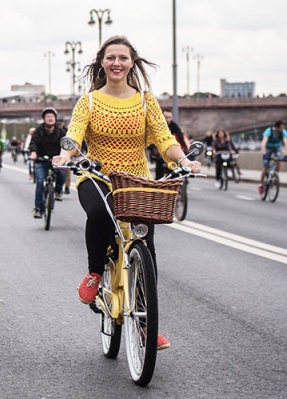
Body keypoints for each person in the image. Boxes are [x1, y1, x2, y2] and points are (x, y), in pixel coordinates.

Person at [52, 36, 201, 351]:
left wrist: (185, 159)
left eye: (122, 58)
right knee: (99, 214)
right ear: (102, 62)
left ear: (132, 63)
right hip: (98, 176)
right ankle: (95, 273)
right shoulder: (89, 101)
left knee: (146, 245)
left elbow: (163, 139)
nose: (116, 63)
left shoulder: (146, 101)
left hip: (136, 180)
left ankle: (147, 326)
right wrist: (66, 155)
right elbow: (73, 134)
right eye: (110, 58)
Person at [28, 108, 66, 218]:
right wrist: (34, 153)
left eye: (52, 117)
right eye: (48, 117)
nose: (50, 118)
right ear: (44, 119)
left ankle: (58, 191)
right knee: (40, 181)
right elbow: (34, 143)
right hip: (41, 159)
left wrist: (66, 156)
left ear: (55, 119)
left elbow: (66, 145)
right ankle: (38, 209)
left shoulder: (60, 132)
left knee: (62, 172)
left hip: (57, 160)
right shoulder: (38, 131)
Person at [150, 110, 189, 180]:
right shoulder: (156, 126)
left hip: (170, 153)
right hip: (159, 152)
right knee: (159, 172)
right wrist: (153, 150)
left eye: (169, 117)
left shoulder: (174, 126)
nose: (168, 120)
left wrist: (185, 149)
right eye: (166, 117)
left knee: (174, 173)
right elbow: (150, 139)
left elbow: (181, 138)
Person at [259, 120, 287, 194]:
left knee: (278, 160)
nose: (282, 130)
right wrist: (264, 154)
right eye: (281, 128)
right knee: (266, 166)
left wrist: (286, 154)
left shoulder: (283, 132)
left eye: (283, 128)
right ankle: (261, 184)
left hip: (277, 147)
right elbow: (263, 143)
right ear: (277, 127)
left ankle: (275, 175)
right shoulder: (269, 131)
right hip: (268, 147)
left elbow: (286, 143)